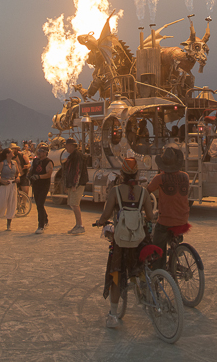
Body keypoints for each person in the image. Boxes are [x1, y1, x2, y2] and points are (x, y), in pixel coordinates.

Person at [96, 158, 155, 329]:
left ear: (121, 174)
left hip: (121, 241)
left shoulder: (115, 191)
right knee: (142, 269)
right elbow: (150, 216)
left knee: (117, 275)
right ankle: (146, 293)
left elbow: (106, 214)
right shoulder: (144, 192)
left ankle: (113, 315)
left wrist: (100, 222)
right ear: (137, 174)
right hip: (139, 239)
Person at [146, 147, 190, 258]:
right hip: (183, 219)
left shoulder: (159, 178)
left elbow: (147, 191)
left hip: (166, 220)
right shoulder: (185, 176)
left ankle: (159, 269)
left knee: (158, 244)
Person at [62, 138, 89, 234]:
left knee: (74, 204)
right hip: (73, 184)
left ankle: (80, 225)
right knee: (72, 204)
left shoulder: (77, 156)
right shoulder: (72, 156)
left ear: (72, 146)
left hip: (77, 184)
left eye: (67, 145)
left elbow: (78, 171)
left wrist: (74, 184)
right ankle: (78, 225)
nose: (66, 148)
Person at [0, 147, 19, 232]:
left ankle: (9, 224)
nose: (13, 153)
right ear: (7, 154)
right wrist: (2, 181)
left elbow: (18, 173)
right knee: (2, 203)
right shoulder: (2, 164)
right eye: (11, 152)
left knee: (12, 203)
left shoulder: (14, 163)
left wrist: (18, 178)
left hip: (13, 184)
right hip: (4, 185)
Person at [29, 143, 54, 234]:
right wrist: (30, 176)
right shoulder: (35, 161)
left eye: (41, 151)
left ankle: (41, 225)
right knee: (39, 204)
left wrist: (39, 177)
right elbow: (32, 169)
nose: (39, 152)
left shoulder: (48, 162)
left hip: (44, 185)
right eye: (39, 151)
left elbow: (48, 174)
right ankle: (45, 218)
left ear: (45, 152)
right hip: (36, 185)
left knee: (40, 204)